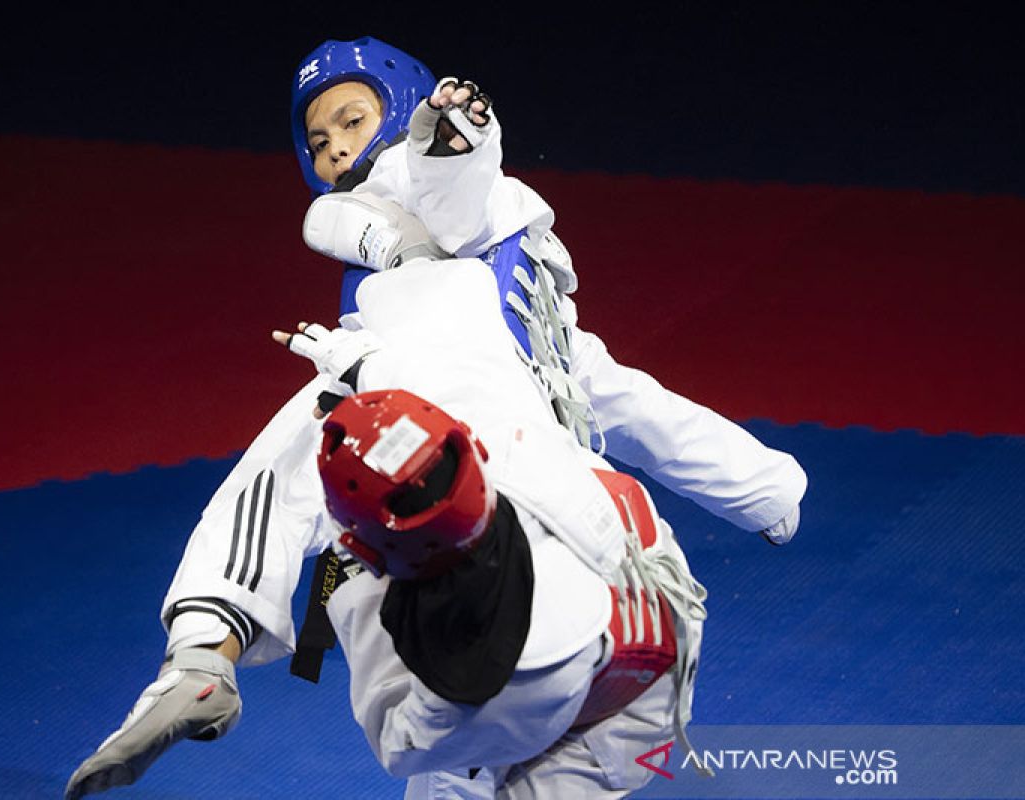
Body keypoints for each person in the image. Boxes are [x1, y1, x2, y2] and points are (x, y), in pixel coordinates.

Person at [65, 36, 806, 798]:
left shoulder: (409, 306)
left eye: (354, 120)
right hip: (640, 600)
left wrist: (449, 145)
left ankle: (202, 647)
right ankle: (205, 647)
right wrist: (766, 490)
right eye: (319, 140)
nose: (336, 149)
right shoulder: (529, 324)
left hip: (497, 629)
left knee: (329, 458)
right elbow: (633, 404)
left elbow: (429, 196)